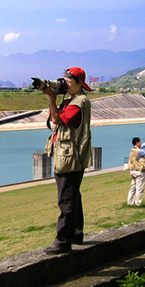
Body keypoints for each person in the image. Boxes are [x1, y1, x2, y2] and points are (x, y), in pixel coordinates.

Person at [41, 67, 93, 255]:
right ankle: (76, 234)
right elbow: (52, 117)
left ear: (80, 84)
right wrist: (54, 98)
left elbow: (55, 120)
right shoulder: (72, 101)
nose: (64, 84)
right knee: (73, 196)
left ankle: (63, 241)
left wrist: (51, 98)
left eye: (68, 82)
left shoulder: (78, 103)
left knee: (66, 200)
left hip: (69, 158)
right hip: (67, 156)